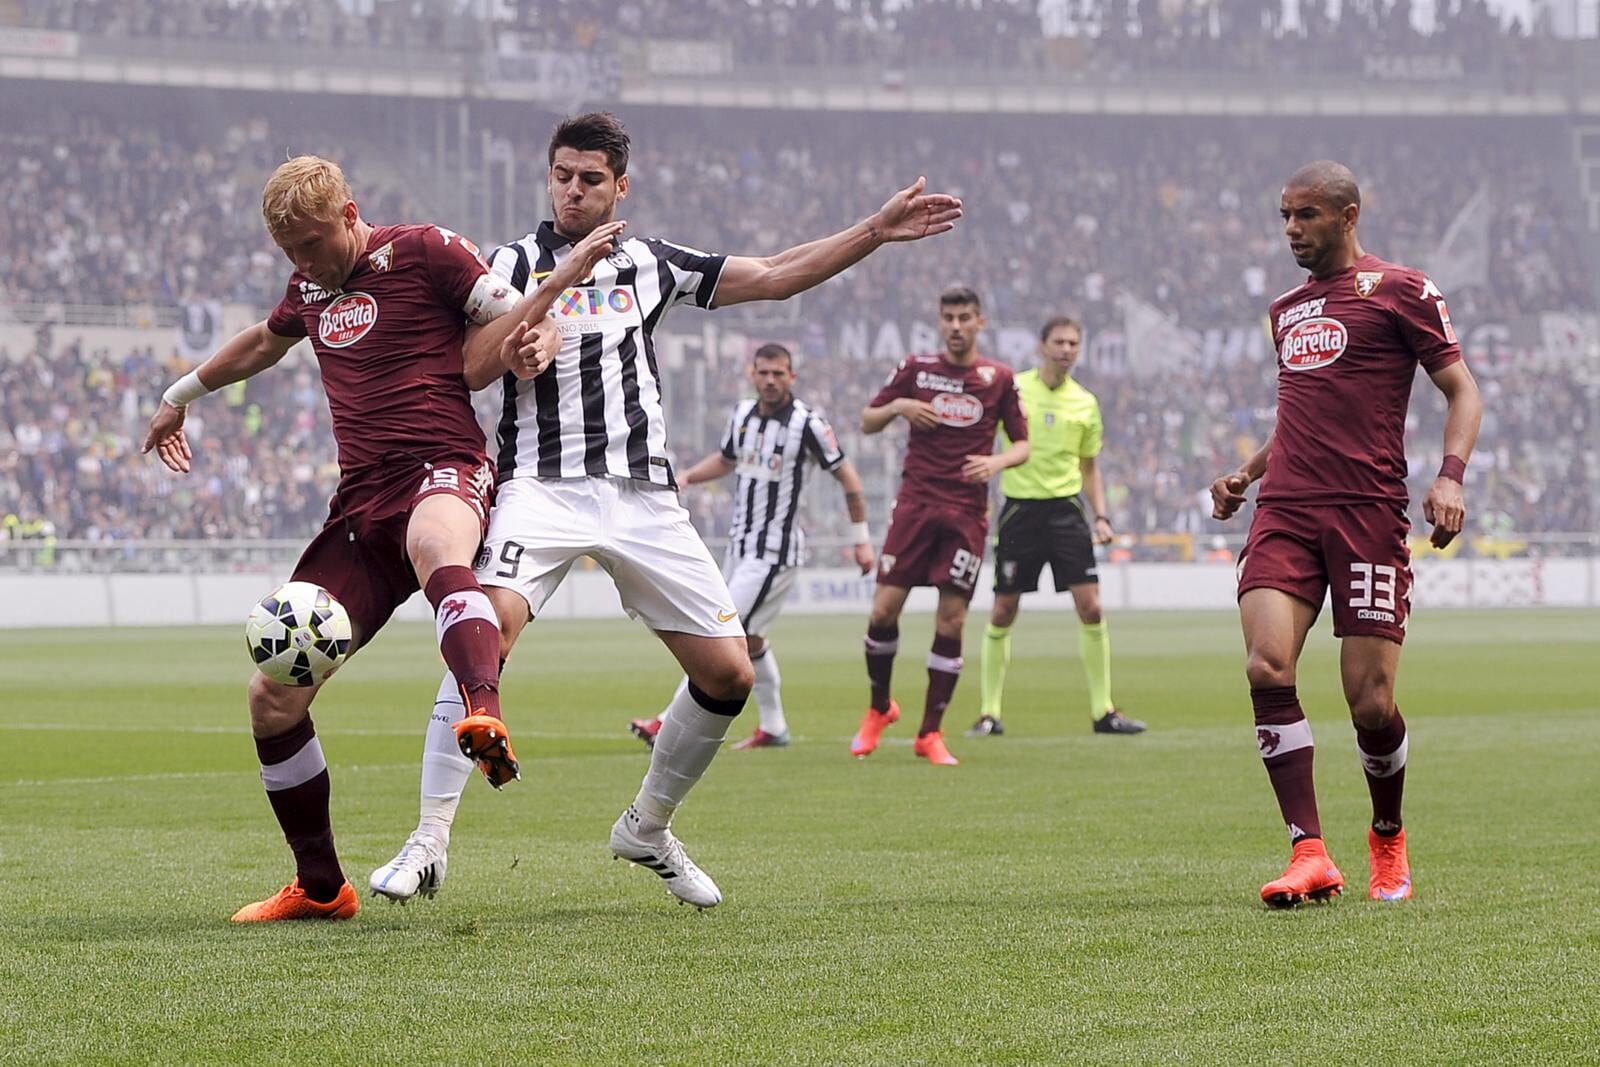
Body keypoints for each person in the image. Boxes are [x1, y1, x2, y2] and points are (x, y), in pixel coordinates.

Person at [371, 112, 962, 908]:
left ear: (620, 187)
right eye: (561, 176)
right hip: (541, 486)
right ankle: (429, 839)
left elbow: (776, 273)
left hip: (644, 495)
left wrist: (874, 232)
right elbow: (469, 366)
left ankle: (647, 827)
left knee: (729, 673)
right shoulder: (508, 264)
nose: (572, 191)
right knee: (483, 633)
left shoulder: (651, 262)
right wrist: (517, 341)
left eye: (590, 179)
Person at [141, 155, 566, 922]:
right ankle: (320, 886)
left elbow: (523, 312)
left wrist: (537, 342)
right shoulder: (308, 287)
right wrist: (180, 395)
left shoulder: (427, 250)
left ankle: (483, 710)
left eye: (311, 244)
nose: (303, 262)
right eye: (289, 252)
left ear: (348, 214)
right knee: (272, 697)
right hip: (360, 507)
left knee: (436, 544)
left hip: (443, 465)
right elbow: (263, 342)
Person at [1210, 160, 1481, 908]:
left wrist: (1450, 476)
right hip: (1287, 510)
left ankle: (1387, 833)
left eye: (1307, 215)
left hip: (1366, 512)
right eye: (1284, 216)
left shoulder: (1403, 290)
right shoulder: (1285, 310)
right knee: (1267, 665)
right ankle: (1309, 852)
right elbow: (1299, 415)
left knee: (1370, 703)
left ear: (1348, 214)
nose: (1292, 229)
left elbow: (1462, 389)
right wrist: (1247, 473)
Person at [627, 343, 876, 751]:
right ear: (752, 374)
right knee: (751, 640)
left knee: (720, 634)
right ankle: (775, 728)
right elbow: (727, 460)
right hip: (741, 547)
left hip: (774, 553)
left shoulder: (808, 424)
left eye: (779, 373)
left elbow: (848, 478)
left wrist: (861, 541)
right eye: (764, 372)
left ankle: (665, 722)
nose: (771, 380)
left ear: (792, 377)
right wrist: (687, 477)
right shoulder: (742, 414)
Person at [853, 287, 1030, 767]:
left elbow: (1023, 445)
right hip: (915, 505)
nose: (955, 326)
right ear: (939, 321)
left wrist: (996, 463)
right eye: (948, 317)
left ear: (980, 322)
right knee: (883, 610)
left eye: (964, 317)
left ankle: (930, 732)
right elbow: (867, 420)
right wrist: (900, 407)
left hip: (966, 514)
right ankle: (879, 707)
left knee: (951, 620)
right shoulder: (916, 369)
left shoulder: (999, 378)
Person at [970, 316, 1146, 739]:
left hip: (1066, 511)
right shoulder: (1014, 389)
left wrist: (1101, 516)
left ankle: (1103, 711)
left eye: (1073, 344)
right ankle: (989, 713)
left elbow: (1090, 466)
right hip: (1020, 511)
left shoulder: (1085, 402)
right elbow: (985, 437)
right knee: (1003, 610)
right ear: (1042, 346)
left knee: (1092, 608)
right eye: (1059, 342)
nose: (1066, 349)